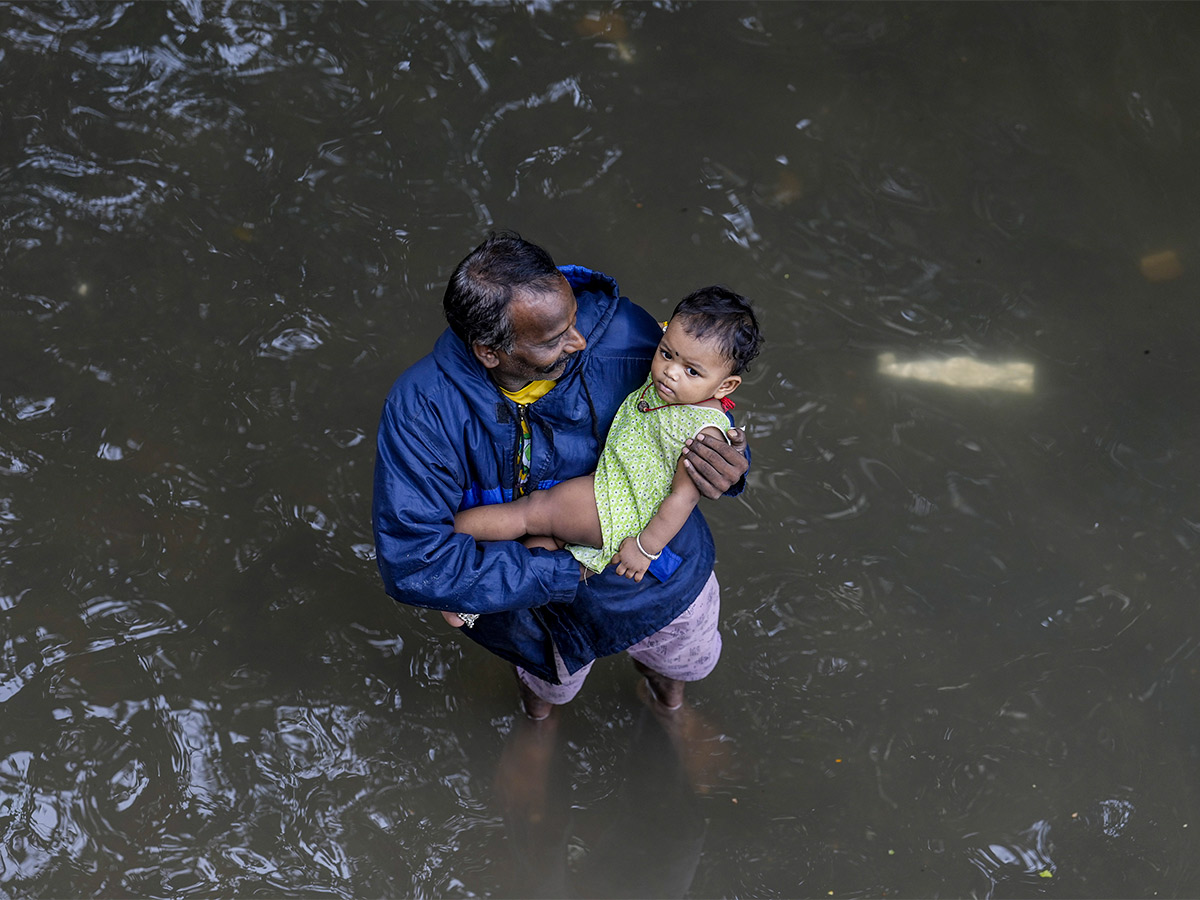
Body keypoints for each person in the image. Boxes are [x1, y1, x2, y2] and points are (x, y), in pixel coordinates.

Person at [372, 232, 750, 720]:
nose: (579, 341)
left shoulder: (628, 334)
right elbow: (414, 559)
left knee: (678, 662)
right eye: (554, 340)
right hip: (533, 604)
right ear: (490, 352)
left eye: (573, 319)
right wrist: (562, 571)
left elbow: (702, 405)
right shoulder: (422, 410)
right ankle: (538, 726)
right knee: (546, 689)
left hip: (661, 575)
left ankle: (670, 708)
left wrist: (730, 467)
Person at [453, 287, 762, 588]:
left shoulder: (705, 432)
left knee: (528, 513)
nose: (671, 372)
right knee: (542, 545)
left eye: (692, 371)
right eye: (666, 353)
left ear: (726, 387)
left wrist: (645, 549)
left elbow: (683, 498)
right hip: (611, 505)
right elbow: (669, 342)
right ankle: (471, 593)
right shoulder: (672, 385)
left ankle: (445, 535)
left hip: (610, 505)